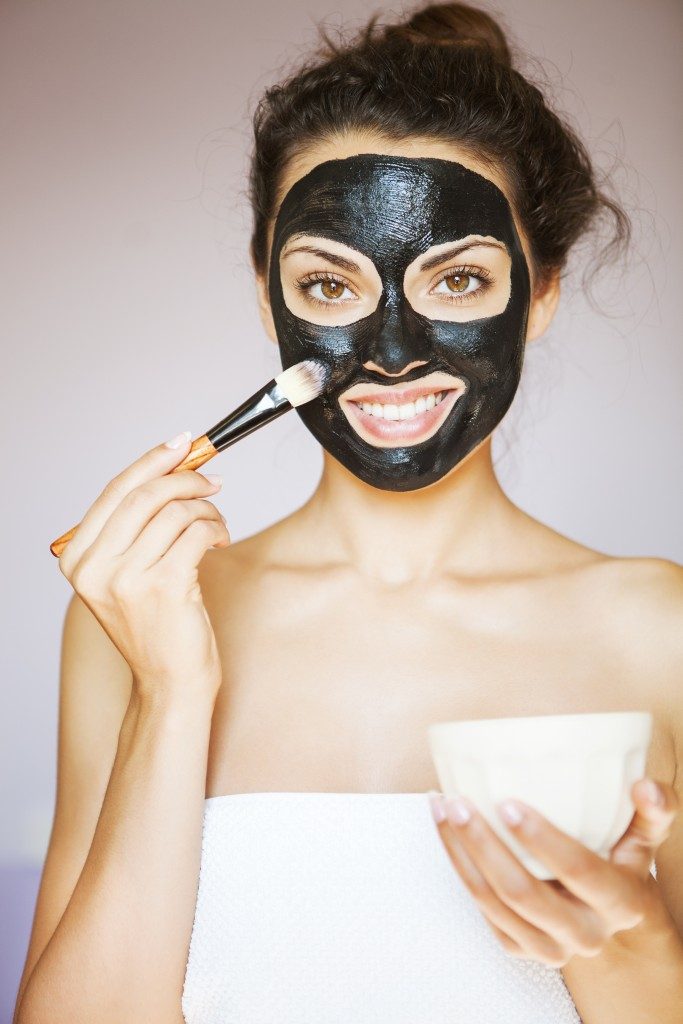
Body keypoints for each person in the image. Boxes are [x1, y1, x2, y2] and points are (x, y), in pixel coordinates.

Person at [14, 4, 683, 1023]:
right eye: (328, 283)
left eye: (457, 277)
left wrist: (616, 941)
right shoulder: (144, 622)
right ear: (267, 293)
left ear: (540, 290)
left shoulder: (655, 629)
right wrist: (170, 693)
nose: (390, 351)